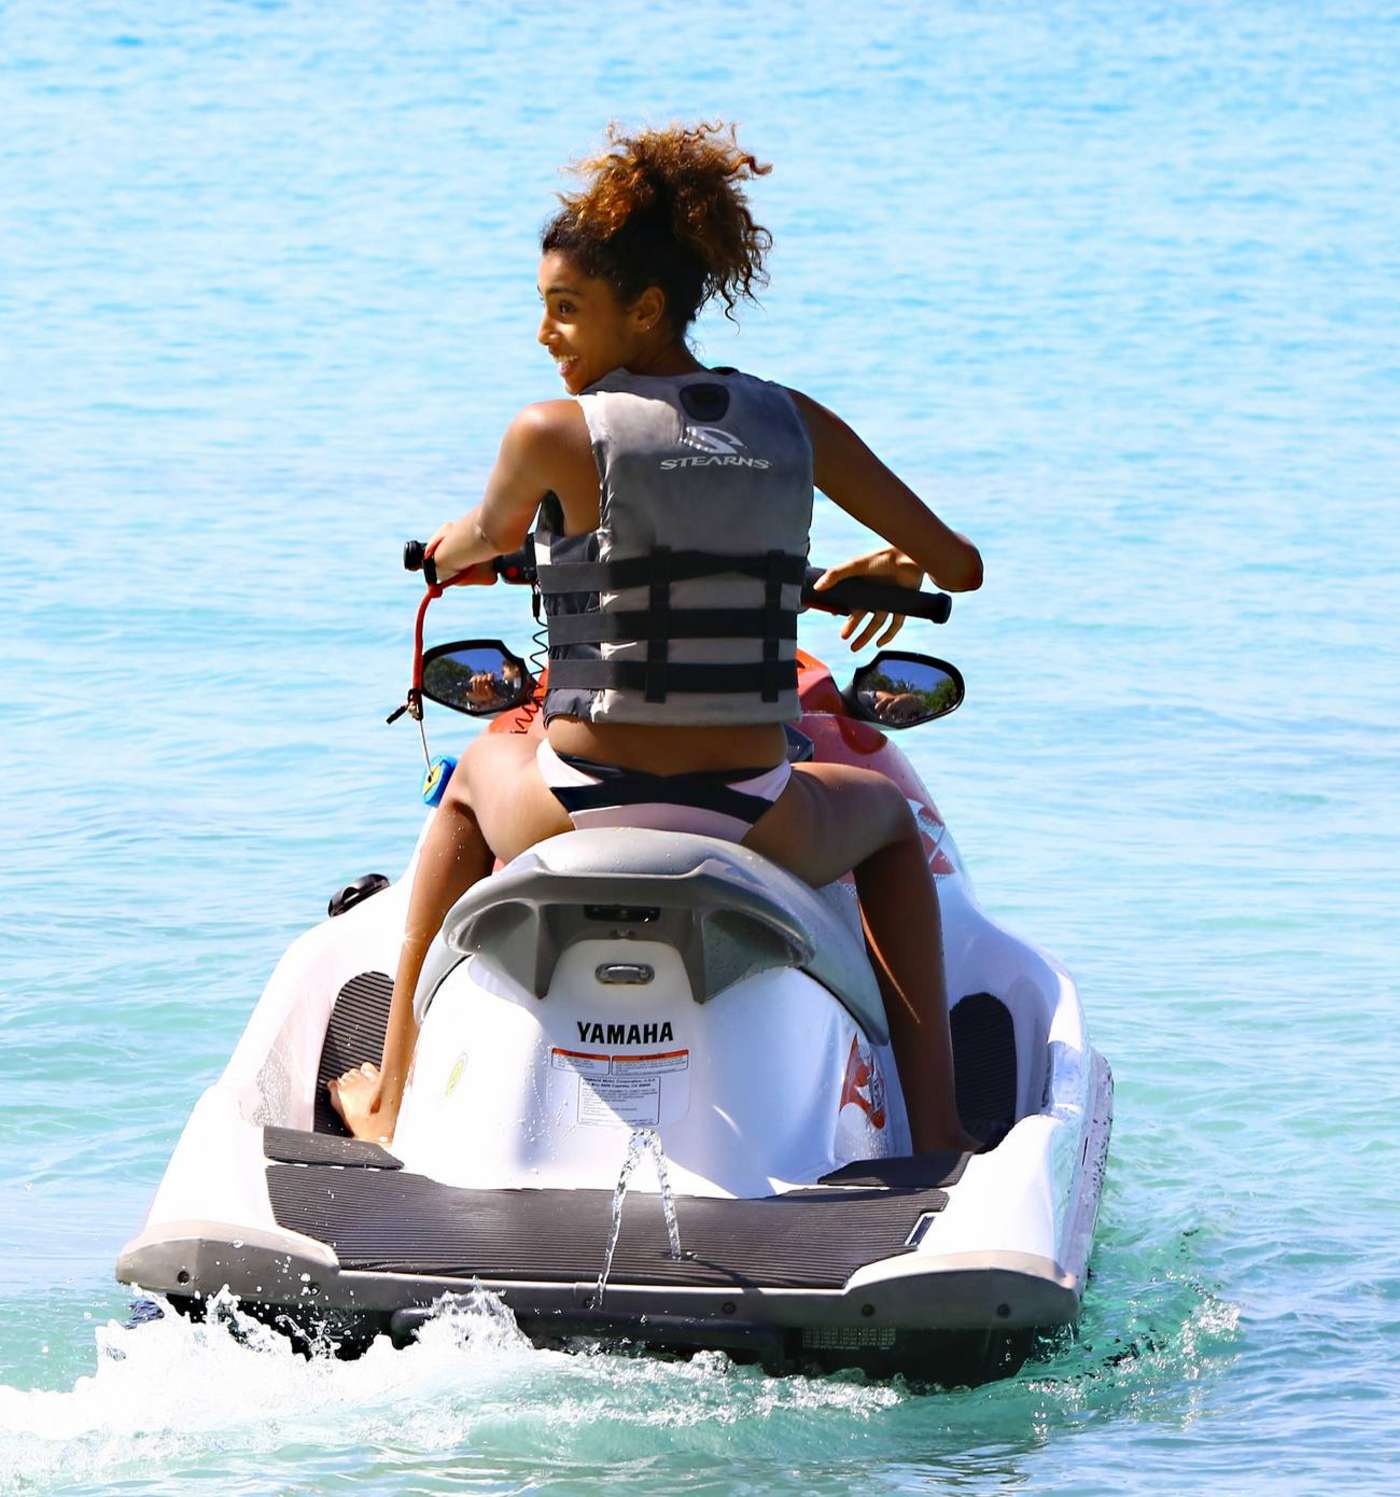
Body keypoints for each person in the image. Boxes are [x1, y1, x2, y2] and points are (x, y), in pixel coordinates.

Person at [330, 123, 983, 1153]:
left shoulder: (550, 432)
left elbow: (478, 541)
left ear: (642, 309)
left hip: (576, 807)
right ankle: (937, 1128)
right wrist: (891, 567)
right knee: (891, 826)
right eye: (544, 310)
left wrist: (437, 556)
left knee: (466, 780)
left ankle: (392, 1105)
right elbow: (959, 565)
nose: (548, 335)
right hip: (754, 813)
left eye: (566, 310)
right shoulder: (793, 421)